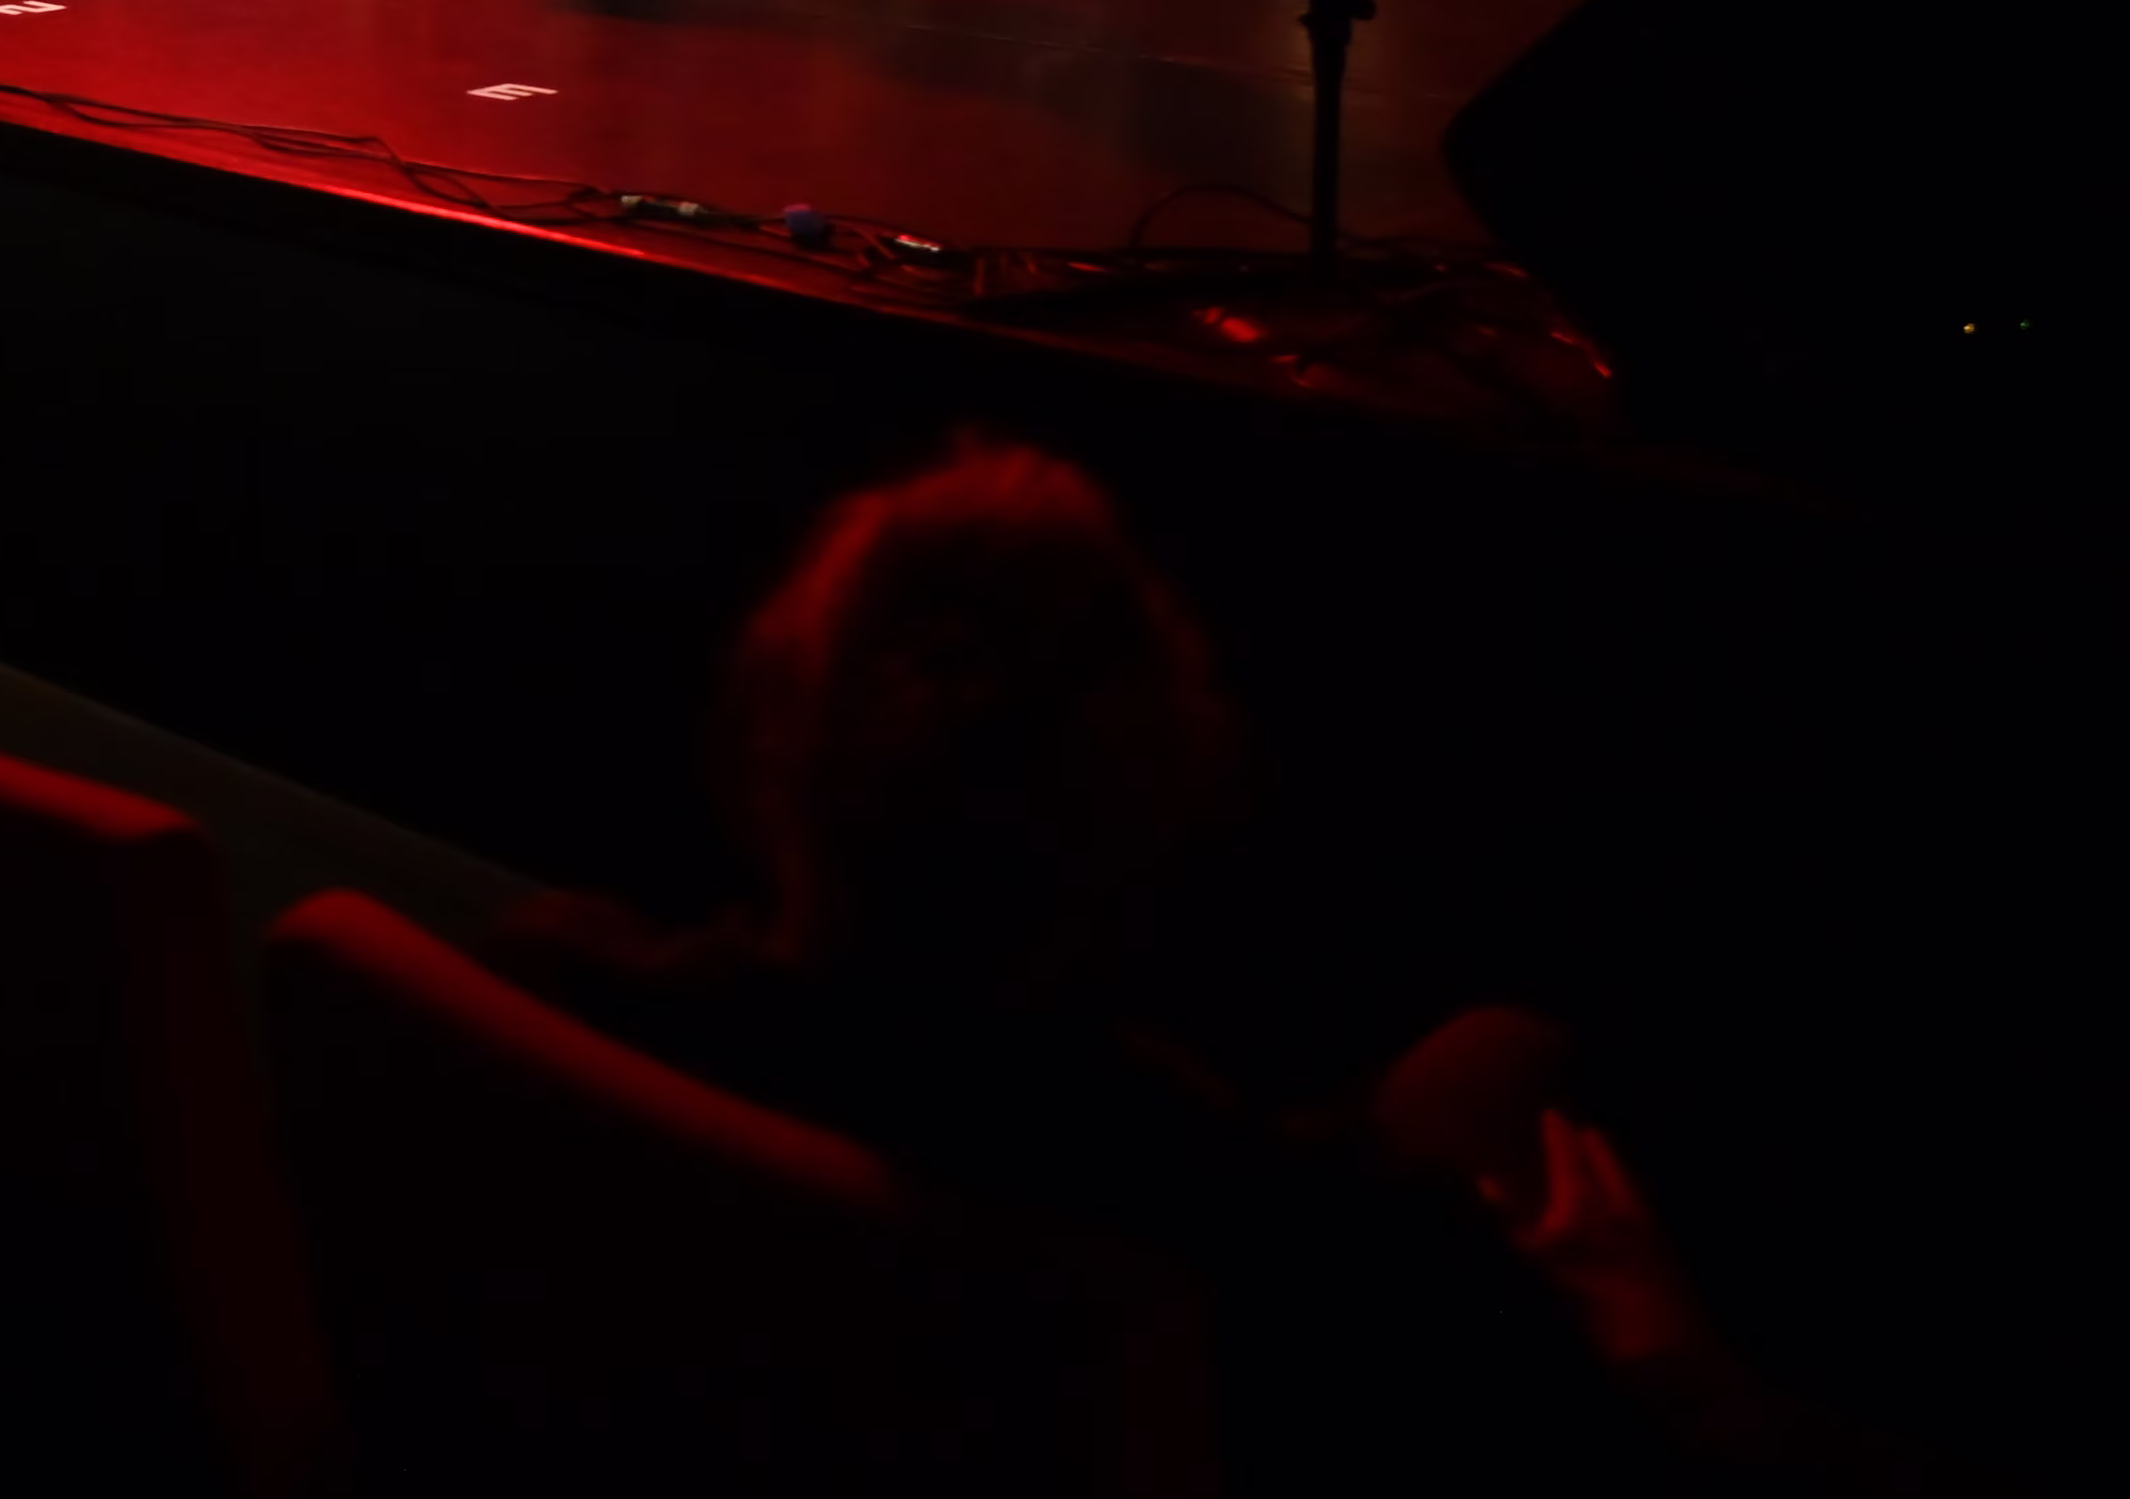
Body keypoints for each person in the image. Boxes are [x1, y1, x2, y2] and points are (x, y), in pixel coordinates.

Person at [485, 439, 1768, 1489]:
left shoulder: (551, 997)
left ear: (773, 734)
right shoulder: (1297, 1241)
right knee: (1502, 1059)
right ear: (1161, 791)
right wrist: (1664, 1357)